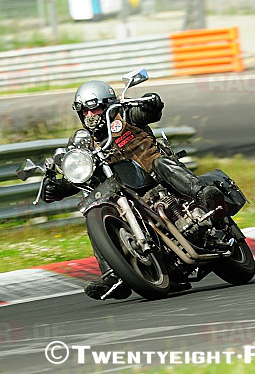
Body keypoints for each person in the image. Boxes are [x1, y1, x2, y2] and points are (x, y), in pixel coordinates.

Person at [42, 80, 227, 300]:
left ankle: (201, 192)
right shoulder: (82, 143)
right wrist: (56, 187)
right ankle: (113, 275)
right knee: (94, 212)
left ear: (108, 104)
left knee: (161, 163)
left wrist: (150, 102)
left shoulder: (126, 117)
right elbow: (77, 175)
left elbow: (149, 112)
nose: (91, 115)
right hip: (124, 197)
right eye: (85, 110)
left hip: (156, 180)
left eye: (95, 108)